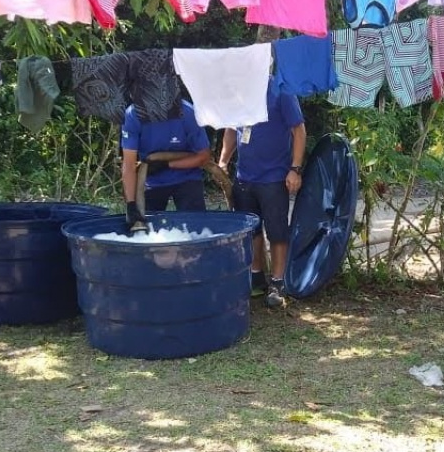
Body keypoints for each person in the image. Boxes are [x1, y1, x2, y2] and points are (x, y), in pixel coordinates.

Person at [218, 79, 306, 308]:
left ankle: (277, 283)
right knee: (251, 231)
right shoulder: (238, 91)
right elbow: (230, 128)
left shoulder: (282, 91)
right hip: (244, 177)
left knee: (277, 232)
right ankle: (256, 276)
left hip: (274, 177)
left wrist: (295, 169)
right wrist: (223, 161)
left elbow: (299, 130)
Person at [121, 99, 210, 228]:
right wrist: (131, 204)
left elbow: (204, 157)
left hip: (187, 176)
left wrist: (166, 164)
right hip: (150, 177)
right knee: (146, 231)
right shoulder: (132, 115)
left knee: (195, 229)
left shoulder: (188, 112)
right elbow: (128, 164)